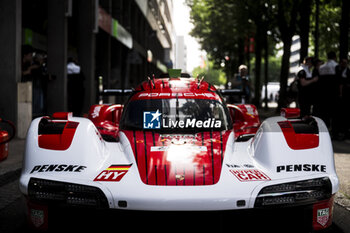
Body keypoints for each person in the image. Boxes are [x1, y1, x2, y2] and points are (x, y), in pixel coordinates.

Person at [318, 51, 338, 128]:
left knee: (325, 111)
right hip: (333, 91)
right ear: (334, 57)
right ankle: (334, 129)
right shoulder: (336, 66)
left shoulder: (321, 67)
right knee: (334, 111)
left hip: (324, 92)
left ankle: (325, 126)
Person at [335, 58, 350, 139]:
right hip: (339, 97)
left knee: (346, 115)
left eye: (345, 63)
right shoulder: (337, 70)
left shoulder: (348, 71)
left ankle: (345, 132)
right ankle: (338, 132)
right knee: (339, 115)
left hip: (346, 97)